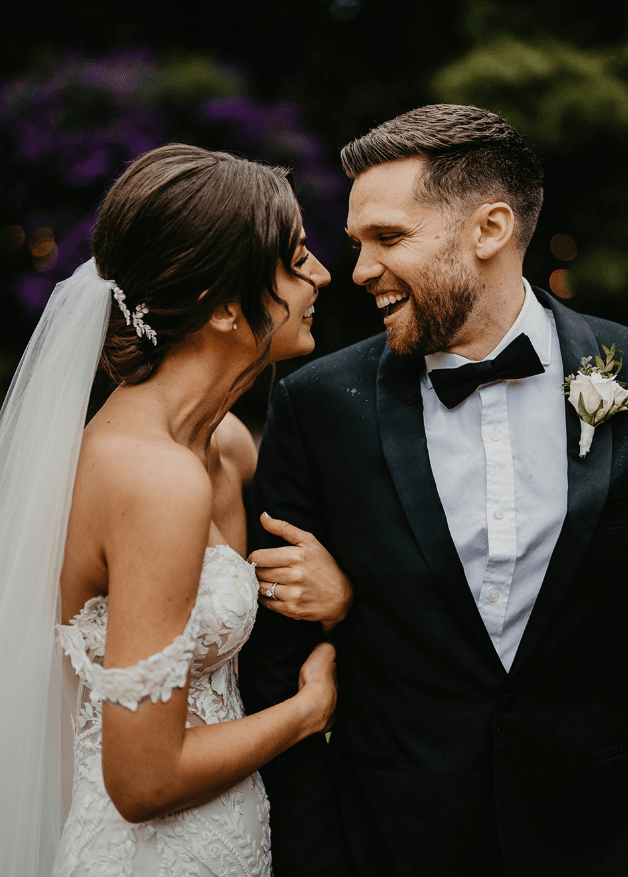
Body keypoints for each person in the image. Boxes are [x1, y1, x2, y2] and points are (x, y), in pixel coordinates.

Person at [240, 104, 628, 876]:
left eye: (388, 238)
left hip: (597, 843)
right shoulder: (317, 406)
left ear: (489, 230)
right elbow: (273, 670)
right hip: (389, 844)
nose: (358, 270)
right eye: (358, 243)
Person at [0, 143, 349, 877]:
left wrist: (333, 591)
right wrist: (307, 710)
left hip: (231, 837)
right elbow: (143, 780)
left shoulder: (223, 444)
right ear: (226, 307)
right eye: (296, 259)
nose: (322, 272)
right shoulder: (155, 477)